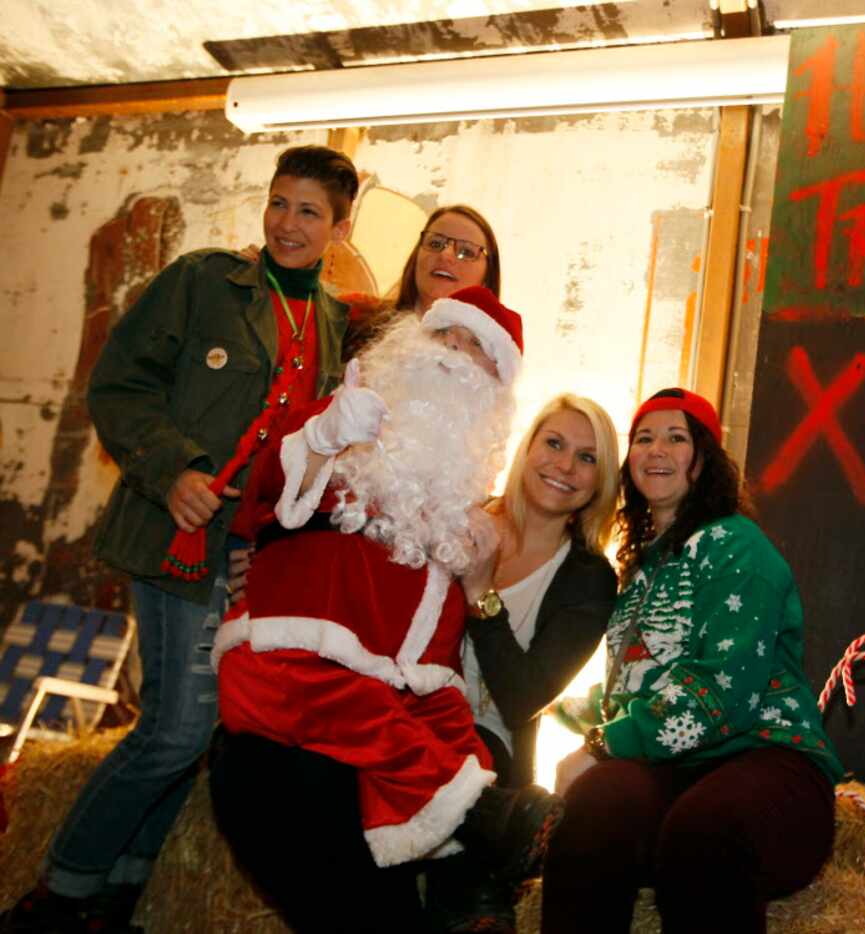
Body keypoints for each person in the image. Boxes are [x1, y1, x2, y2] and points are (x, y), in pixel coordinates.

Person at [0, 145, 360, 934]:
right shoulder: (204, 281)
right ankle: (58, 893)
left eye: (307, 211)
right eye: (277, 203)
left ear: (340, 226)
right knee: (176, 731)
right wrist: (173, 473)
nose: (286, 223)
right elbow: (118, 385)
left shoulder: (333, 323)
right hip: (176, 532)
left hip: (243, 557)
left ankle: (117, 891)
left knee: (184, 733)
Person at [208, 286, 561, 931]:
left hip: (372, 745)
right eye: (446, 338)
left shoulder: (461, 509)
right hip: (284, 715)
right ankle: (483, 819)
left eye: (477, 352)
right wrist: (325, 434)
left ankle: (479, 844)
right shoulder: (346, 423)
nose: (454, 356)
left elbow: (436, 661)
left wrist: (474, 580)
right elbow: (267, 490)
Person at [541, 388, 843, 934]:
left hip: (768, 762)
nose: (657, 450)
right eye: (644, 438)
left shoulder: (737, 546)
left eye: (676, 438)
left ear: (703, 458)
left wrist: (600, 744)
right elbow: (640, 687)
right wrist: (559, 714)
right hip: (674, 770)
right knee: (593, 809)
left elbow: (722, 694)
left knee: (704, 830)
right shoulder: (639, 571)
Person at [423, 393, 621, 934]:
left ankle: (477, 893)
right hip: (409, 713)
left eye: (587, 458)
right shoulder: (460, 518)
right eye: (554, 443)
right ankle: (483, 892)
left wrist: (482, 595)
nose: (564, 465)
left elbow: (521, 697)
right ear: (527, 446)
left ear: (599, 484)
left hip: (491, 745)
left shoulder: (590, 578)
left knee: (466, 757)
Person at [343, 204, 501, 357]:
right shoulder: (351, 316)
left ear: (487, 278)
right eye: (435, 243)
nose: (445, 254)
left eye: (466, 252)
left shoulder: (490, 364)